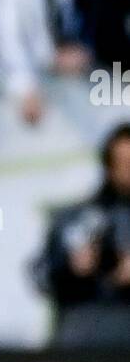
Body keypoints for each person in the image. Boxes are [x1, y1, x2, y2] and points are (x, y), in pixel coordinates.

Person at [33, 124, 130, 346]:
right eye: (123, 163)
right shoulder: (75, 219)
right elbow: (40, 274)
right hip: (82, 340)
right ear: (108, 166)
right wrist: (70, 268)